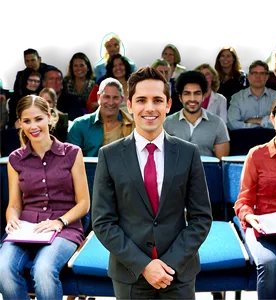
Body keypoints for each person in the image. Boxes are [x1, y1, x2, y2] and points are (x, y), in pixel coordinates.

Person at [92, 66, 212, 300]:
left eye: (157, 100)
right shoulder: (109, 155)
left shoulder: (188, 153)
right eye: (141, 100)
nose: (149, 108)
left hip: (177, 272)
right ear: (130, 105)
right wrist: (145, 265)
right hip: (130, 273)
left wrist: (168, 265)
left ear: (168, 105)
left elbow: (201, 218)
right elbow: (103, 221)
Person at [0, 95, 90, 300]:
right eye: (27, 121)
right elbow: (14, 204)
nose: (33, 126)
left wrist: (60, 221)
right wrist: (12, 219)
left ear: (50, 118)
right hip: (27, 228)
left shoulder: (72, 153)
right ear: (20, 123)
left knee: (43, 269)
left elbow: (84, 203)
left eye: (38, 119)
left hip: (64, 228)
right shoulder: (15, 159)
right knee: (2, 268)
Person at [233, 92, 276, 300]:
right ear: (272, 119)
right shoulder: (256, 154)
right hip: (261, 229)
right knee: (269, 264)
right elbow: (243, 201)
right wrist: (249, 217)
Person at [163, 70, 230, 159]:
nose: (192, 99)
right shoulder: (168, 123)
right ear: (180, 98)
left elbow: (222, 162)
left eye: (197, 93)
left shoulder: (217, 123)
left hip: (207, 171)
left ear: (203, 96)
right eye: (187, 94)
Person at [67, 77, 135, 157]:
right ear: (99, 97)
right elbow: (69, 159)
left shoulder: (133, 127)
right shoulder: (79, 125)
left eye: (115, 97)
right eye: (107, 97)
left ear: (121, 99)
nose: (111, 102)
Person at [227, 60, 276, 130]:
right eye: (254, 73)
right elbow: (232, 124)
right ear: (248, 76)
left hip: (271, 139)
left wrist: (259, 121)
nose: (258, 76)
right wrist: (259, 127)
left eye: (262, 73)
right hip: (244, 138)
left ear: (267, 77)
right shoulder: (237, 98)